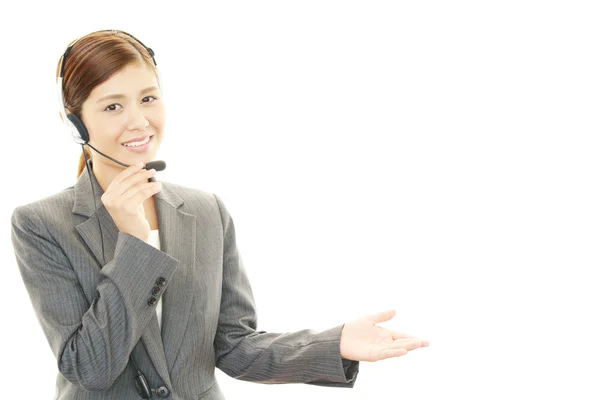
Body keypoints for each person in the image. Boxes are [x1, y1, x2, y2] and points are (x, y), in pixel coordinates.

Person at [10, 29, 429, 400]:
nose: (139, 122)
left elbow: (233, 346)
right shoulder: (41, 224)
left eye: (148, 98)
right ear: (75, 124)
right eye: (112, 107)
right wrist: (135, 245)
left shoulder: (205, 211)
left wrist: (332, 344)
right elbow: (90, 369)